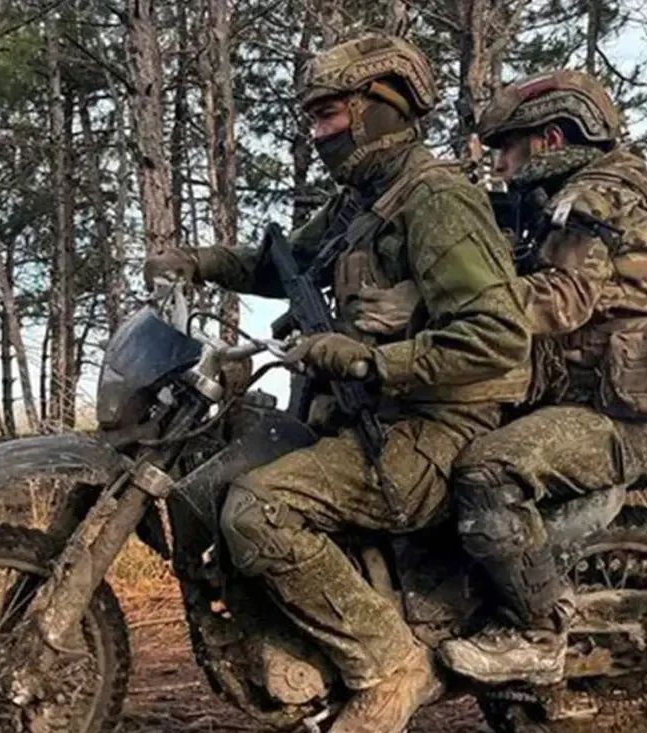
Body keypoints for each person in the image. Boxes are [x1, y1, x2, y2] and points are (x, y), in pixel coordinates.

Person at [143, 34, 531, 733]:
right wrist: (199, 262)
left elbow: (498, 335)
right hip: (372, 416)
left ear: (380, 108)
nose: (317, 133)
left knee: (258, 510)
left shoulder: (438, 201)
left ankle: (389, 665)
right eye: (312, 118)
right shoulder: (365, 201)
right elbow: (284, 261)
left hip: (435, 429)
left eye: (329, 114)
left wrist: (373, 362)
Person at [438, 69, 647, 686]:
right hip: (572, 401)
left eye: (508, 147)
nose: (499, 163)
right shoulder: (569, 200)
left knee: (487, 470)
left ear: (552, 139)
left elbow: (560, 301)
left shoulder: (595, 201)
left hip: (613, 421)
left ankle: (537, 633)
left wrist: (442, 300)